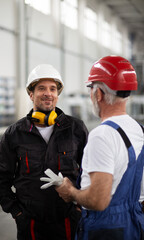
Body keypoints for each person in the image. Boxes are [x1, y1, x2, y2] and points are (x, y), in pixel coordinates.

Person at [0, 64, 88, 240]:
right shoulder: (15, 133)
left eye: (53, 89)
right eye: (41, 88)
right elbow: (0, 179)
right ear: (31, 94)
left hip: (69, 219)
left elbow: (90, 170)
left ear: (58, 95)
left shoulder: (76, 129)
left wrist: (80, 205)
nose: (47, 93)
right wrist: (17, 213)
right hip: (31, 224)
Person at [56, 56, 144, 240]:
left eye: (91, 89)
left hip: (106, 229)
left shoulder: (102, 136)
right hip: (134, 223)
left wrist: (71, 192)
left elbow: (98, 200)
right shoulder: (139, 130)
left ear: (98, 94)